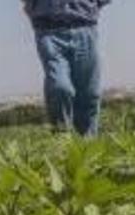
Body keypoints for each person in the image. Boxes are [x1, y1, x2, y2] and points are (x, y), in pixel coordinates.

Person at [22, 0, 111, 136]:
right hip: (48, 31)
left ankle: (87, 146)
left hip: (85, 27)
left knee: (89, 93)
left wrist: (89, 8)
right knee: (60, 87)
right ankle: (62, 138)